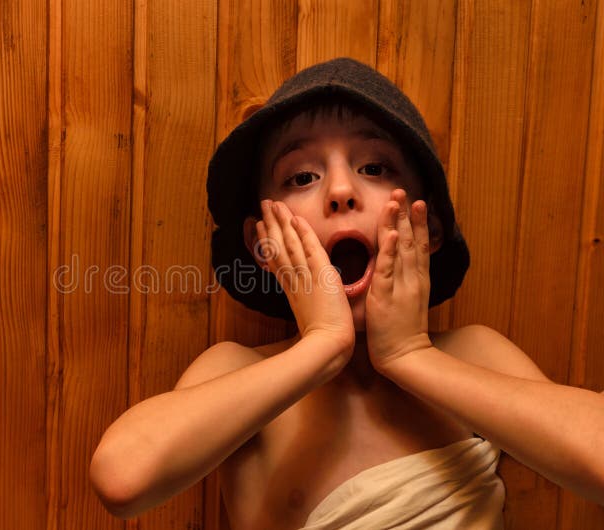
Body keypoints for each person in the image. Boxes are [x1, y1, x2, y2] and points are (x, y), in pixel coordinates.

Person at [89, 57, 604, 529]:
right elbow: (122, 478)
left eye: (374, 169)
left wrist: (411, 354)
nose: (340, 191)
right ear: (263, 243)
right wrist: (321, 343)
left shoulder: (474, 354)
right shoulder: (236, 369)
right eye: (302, 176)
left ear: (429, 228)